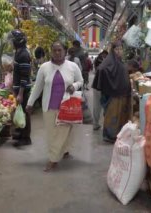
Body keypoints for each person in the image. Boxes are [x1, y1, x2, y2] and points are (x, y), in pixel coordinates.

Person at [26, 41, 83, 172]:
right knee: (52, 134)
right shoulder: (44, 67)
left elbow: (81, 81)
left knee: (61, 133)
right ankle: (64, 150)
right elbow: (38, 87)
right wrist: (30, 102)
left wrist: (74, 86)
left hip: (66, 107)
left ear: (65, 51)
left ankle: (53, 159)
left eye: (60, 50)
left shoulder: (72, 66)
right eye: (54, 50)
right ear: (51, 52)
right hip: (49, 106)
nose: (57, 53)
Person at [94, 41, 131, 143]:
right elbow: (101, 69)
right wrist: (110, 83)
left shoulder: (119, 61)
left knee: (118, 115)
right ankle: (109, 135)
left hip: (120, 94)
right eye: (116, 49)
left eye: (120, 49)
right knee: (112, 115)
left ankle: (116, 134)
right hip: (113, 94)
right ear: (112, 50)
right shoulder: (110, 60)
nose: (119, 51)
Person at [10, 30, 32, 147]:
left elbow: (24, 76)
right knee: (21, 111)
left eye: (12, 40)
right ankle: (21, 132)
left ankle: (26, 138)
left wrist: (20, 93)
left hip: (23, 89)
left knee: (24, 112)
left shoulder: (23, 54)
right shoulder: (19, 52)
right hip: (19, 88)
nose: (11, 42)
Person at [91, 50, 108, 130]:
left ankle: (97, 123)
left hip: (99, 85)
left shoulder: (104, 62)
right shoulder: (102, 61)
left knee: (99, 105)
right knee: (99, 105)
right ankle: (96, 123)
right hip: (99, 86)